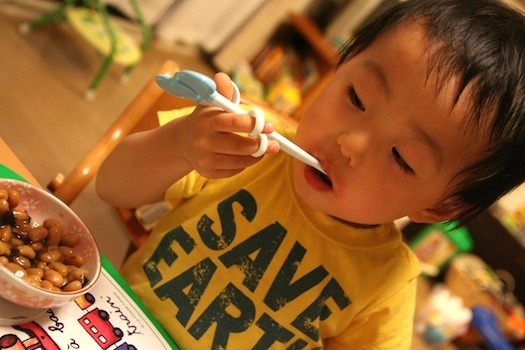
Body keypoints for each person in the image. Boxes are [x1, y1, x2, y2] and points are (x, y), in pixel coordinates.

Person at [96, 0, 525, 348]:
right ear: (344, 64)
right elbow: (111, 185)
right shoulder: (248, 141)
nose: (350, 144)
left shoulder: (385, 285)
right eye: (356, 97)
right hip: (113, 322)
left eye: (401, 157)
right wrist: (181, 144)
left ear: (438, 205)